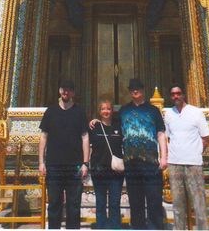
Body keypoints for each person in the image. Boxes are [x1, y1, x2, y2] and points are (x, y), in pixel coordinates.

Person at [38, 79, 89, 229]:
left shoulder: (79, 112)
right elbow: (43, 137)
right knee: (54, 204)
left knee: (74, 205)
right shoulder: (51, 111)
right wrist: (41, 162)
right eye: (63, 89)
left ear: (73, 92)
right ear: (60, 91)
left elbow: (85, 137)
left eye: (69, 90)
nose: (65, 92)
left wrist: (85, 163)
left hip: (75, 165)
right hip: (54, 165)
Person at [119, 78, 167, 230]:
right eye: (132, 88)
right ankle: (138, 226)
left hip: (150, 161)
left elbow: (160, 133)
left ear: (142, 90)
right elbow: (114, 131)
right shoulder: (123, 111)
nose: (135, 90)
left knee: (154, 198)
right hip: (131, 161)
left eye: (138, 88)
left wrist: (164, 156)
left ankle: (155, 227)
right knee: (135, 199)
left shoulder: (153, 111)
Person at [164, 84, 209, 230]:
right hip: (174, 163)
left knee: (198, 201)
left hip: (193, 163)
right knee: (177, 202)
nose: (176, 96)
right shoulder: (169, 114)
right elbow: (167, 138)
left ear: (184, 94)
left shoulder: (196, 112)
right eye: (173, 94)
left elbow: (206, 138)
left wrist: (195, 152)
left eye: (178, 93)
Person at [89, 99, 124, 229]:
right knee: (101, 202)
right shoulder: (94, 127)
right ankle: (101, 227)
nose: (106, 111)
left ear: (112, 110)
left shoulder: (119, 127)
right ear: (99, 111)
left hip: (116, 172)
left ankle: (115, 227)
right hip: (99, 170)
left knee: (115, 203)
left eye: (108, 109)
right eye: (103, 109)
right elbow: (88, 145)